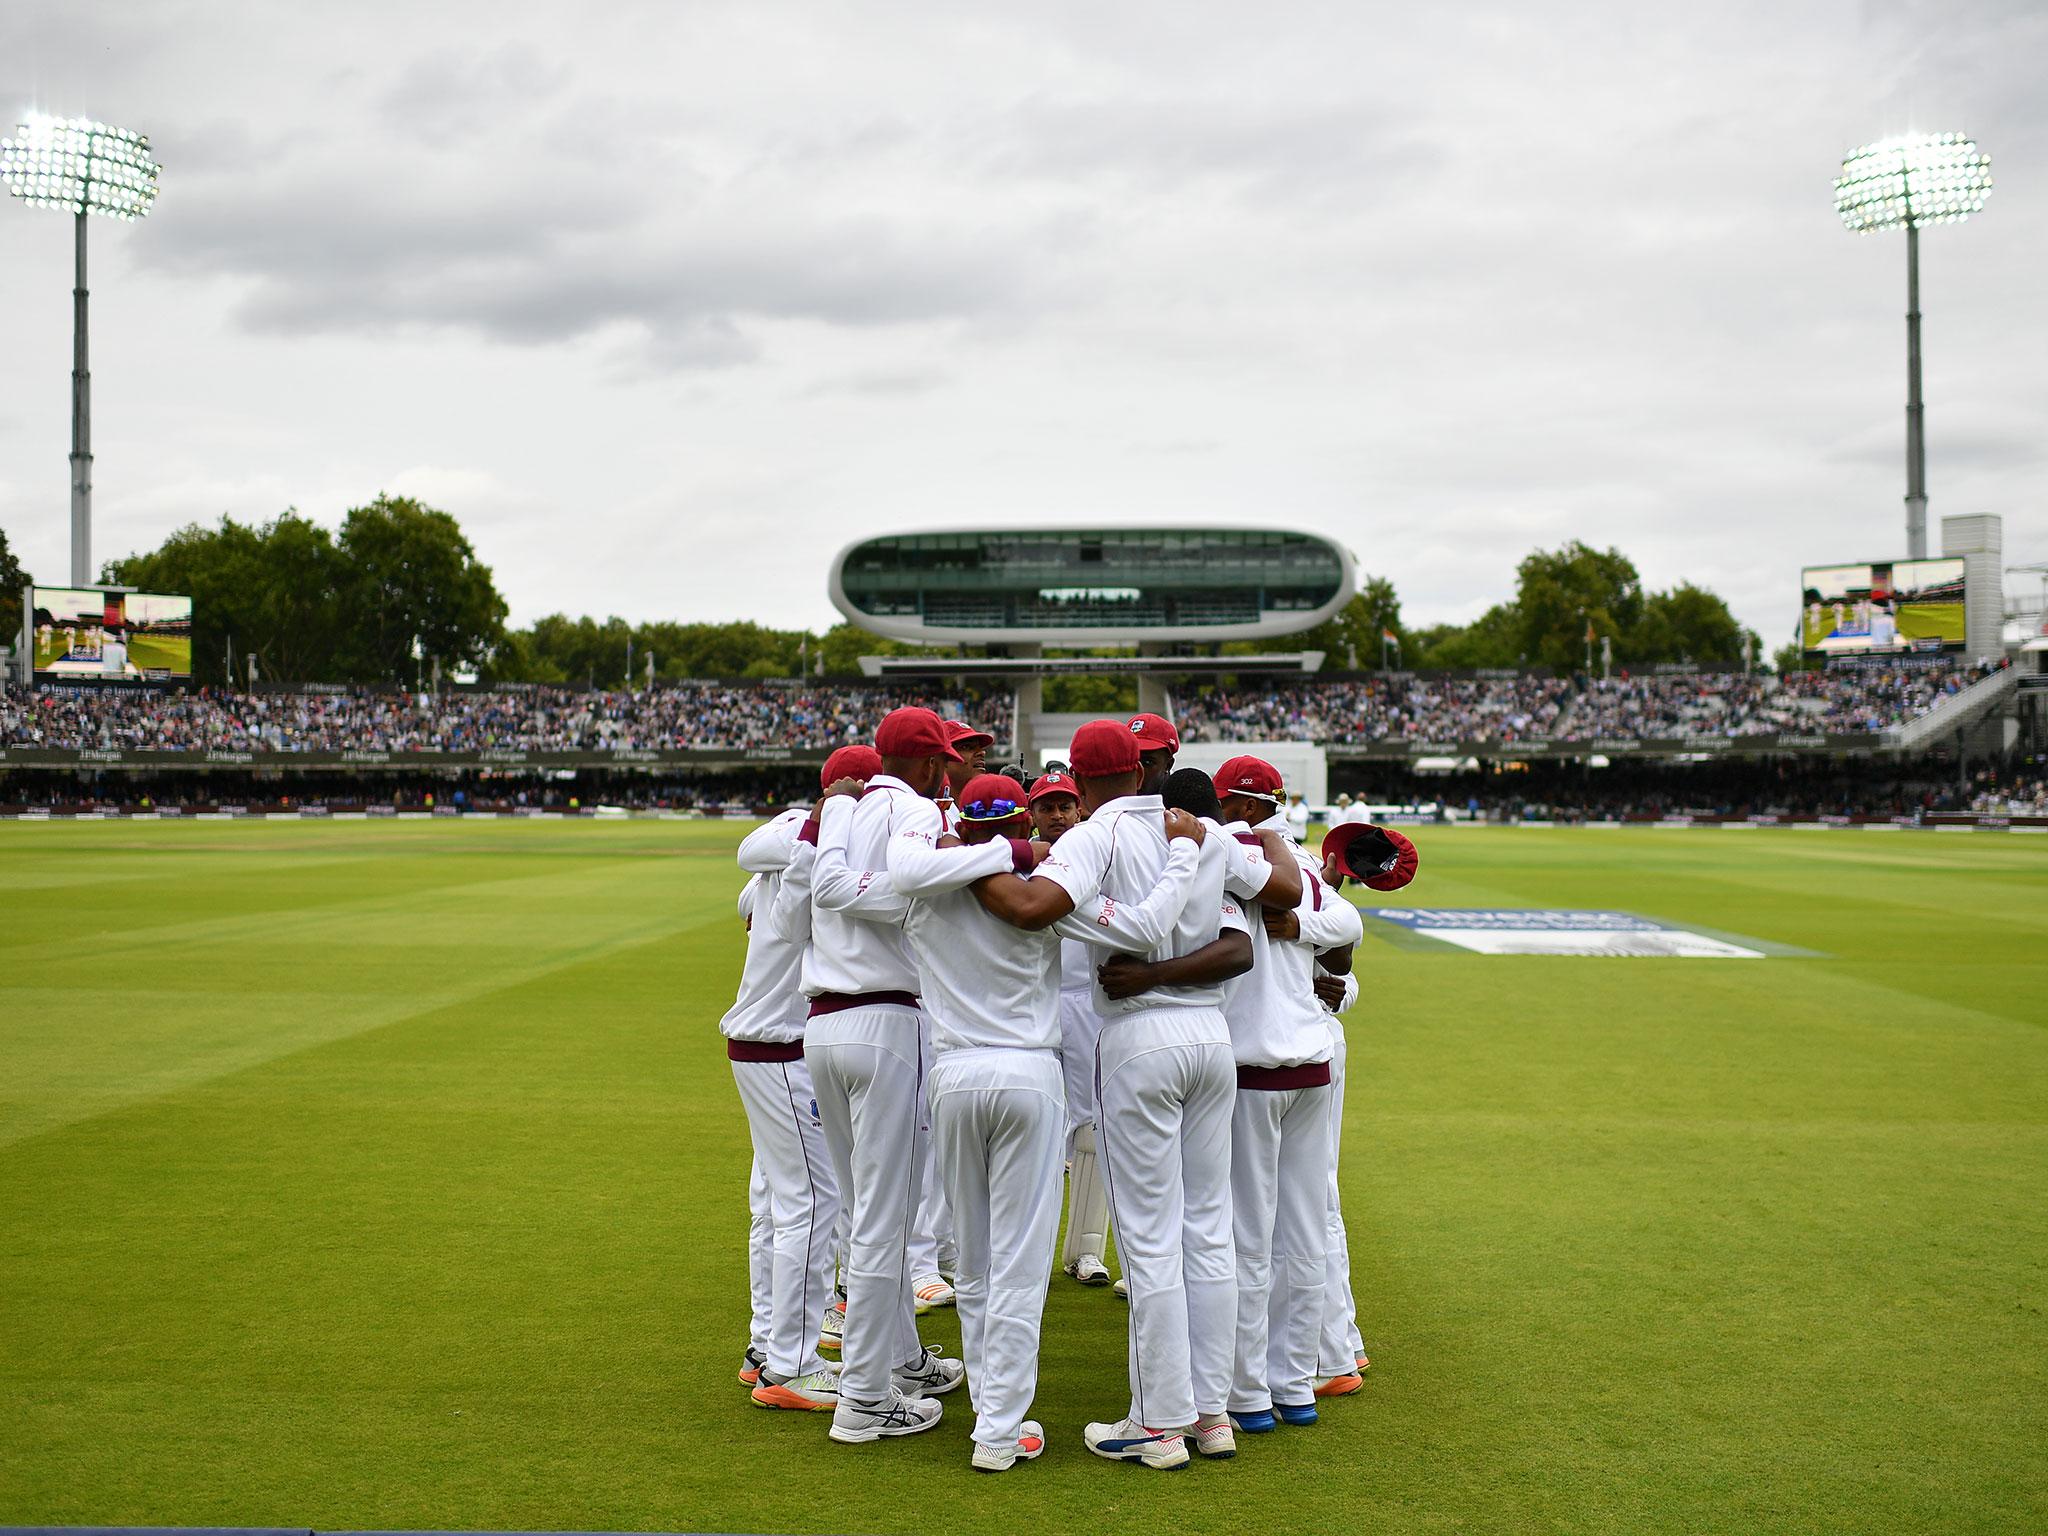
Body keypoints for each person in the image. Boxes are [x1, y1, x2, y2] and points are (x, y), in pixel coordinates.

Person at [894, 772, 1205, 1471]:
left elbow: (871, 884)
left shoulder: (921, 887)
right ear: (1021, 823)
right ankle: (999, 1430)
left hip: (953, 1070)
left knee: (971, 1256)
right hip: (1029, 1073)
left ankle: (992, 1419)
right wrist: (1183, 860)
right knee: (1020, 1262)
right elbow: (1142, 926)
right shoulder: (1046, 891)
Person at [966, 721, 1256, 1470]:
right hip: (1211, 1036)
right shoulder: (1192, 826)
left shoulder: (1092, 836)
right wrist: (1199, 840)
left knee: (1152, 1236)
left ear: (1084, 782)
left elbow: (1037, 906)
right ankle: (1211, 1413)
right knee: (1208, 1228)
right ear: (1140, 768)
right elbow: (1275, 893)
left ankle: (1157, 1424)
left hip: (1138, 1037)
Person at [788, 706, 970, 1442]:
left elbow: (801, 903)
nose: (951, 772)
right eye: (946, 760)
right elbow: (903, 896)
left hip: (823, 1023)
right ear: (927, 765)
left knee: (866, 1212)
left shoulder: (841, 814)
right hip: (890, 1020)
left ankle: (898, 1359)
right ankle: (866, 1398)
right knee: (884, 1219)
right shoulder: (917, 812)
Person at [1213, 756, 1363, 1431]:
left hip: (1250, 1066)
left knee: (1247, 1234)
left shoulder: (1221, 854)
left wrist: (1296, 925)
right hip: (1310, 1060)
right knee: (1302, 1232)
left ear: (1240, 806)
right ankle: (1294, 1384)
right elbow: (1351, 925)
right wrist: (1304, 925)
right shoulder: (1298, 864)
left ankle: (1248, 1395)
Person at [728, 750, 870, 1412]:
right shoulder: (800, 830)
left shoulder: (806, 846)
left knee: (779, 1202)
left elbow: (745, 892)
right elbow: (750, 850)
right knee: (812, 1205)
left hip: (769, 1043)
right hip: (781, 1046)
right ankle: (790, 1363)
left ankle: (767, 1347)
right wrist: (824, 814)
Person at [1028, 769, 1114, 1288]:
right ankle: (1024, 1252)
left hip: (1087, 1001)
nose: (1057, 815)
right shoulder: (1013, 862)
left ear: (1080, 808)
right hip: (1030, 1004)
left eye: (1066, 805)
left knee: (1089, 1128)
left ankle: (1085, 1250)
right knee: (1030, 1127)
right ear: (1031, 814)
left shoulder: (1099, 854)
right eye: (1047, 807)